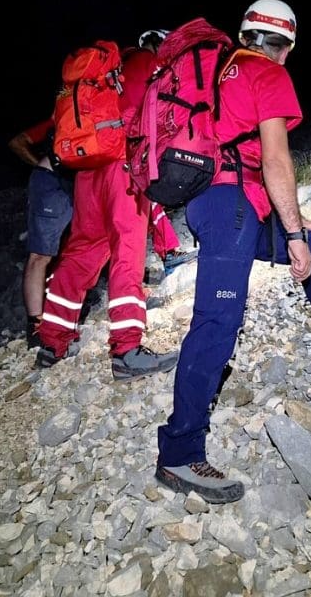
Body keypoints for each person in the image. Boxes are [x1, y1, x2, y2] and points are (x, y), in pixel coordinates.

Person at [154, 0, 311, 504]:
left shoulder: (224, 69)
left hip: (227, 203)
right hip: (230, 203)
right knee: (217, 322)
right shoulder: (265, 73)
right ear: (287, 43)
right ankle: (179, 453)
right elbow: (274, 159)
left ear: (247, 32)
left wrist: (298, 227)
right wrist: (290, 235)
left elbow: (242, 154)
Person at [33, 41, 180, 379]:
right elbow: (157, 115)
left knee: (83, 249)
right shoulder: (147, 62)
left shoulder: (100, 75)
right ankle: (127, 349)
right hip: (122, 165)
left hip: (87, 170)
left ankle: (52, 342)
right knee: (127, 251)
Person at [123, 28, 195, 272]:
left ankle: (164, 253)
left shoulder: (125, 64)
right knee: (147, 191)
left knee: (141, 197)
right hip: (132, 137)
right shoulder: (148, 61)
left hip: (116, 138)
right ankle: (169, 252)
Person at [7, 117, 74, 339]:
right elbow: (17, 142)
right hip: (51, 180)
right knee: (40, 254)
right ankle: (35, 325)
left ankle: (61, 310)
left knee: (74, 247)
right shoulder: (60, 116)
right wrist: (41, 165)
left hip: (77, 181)